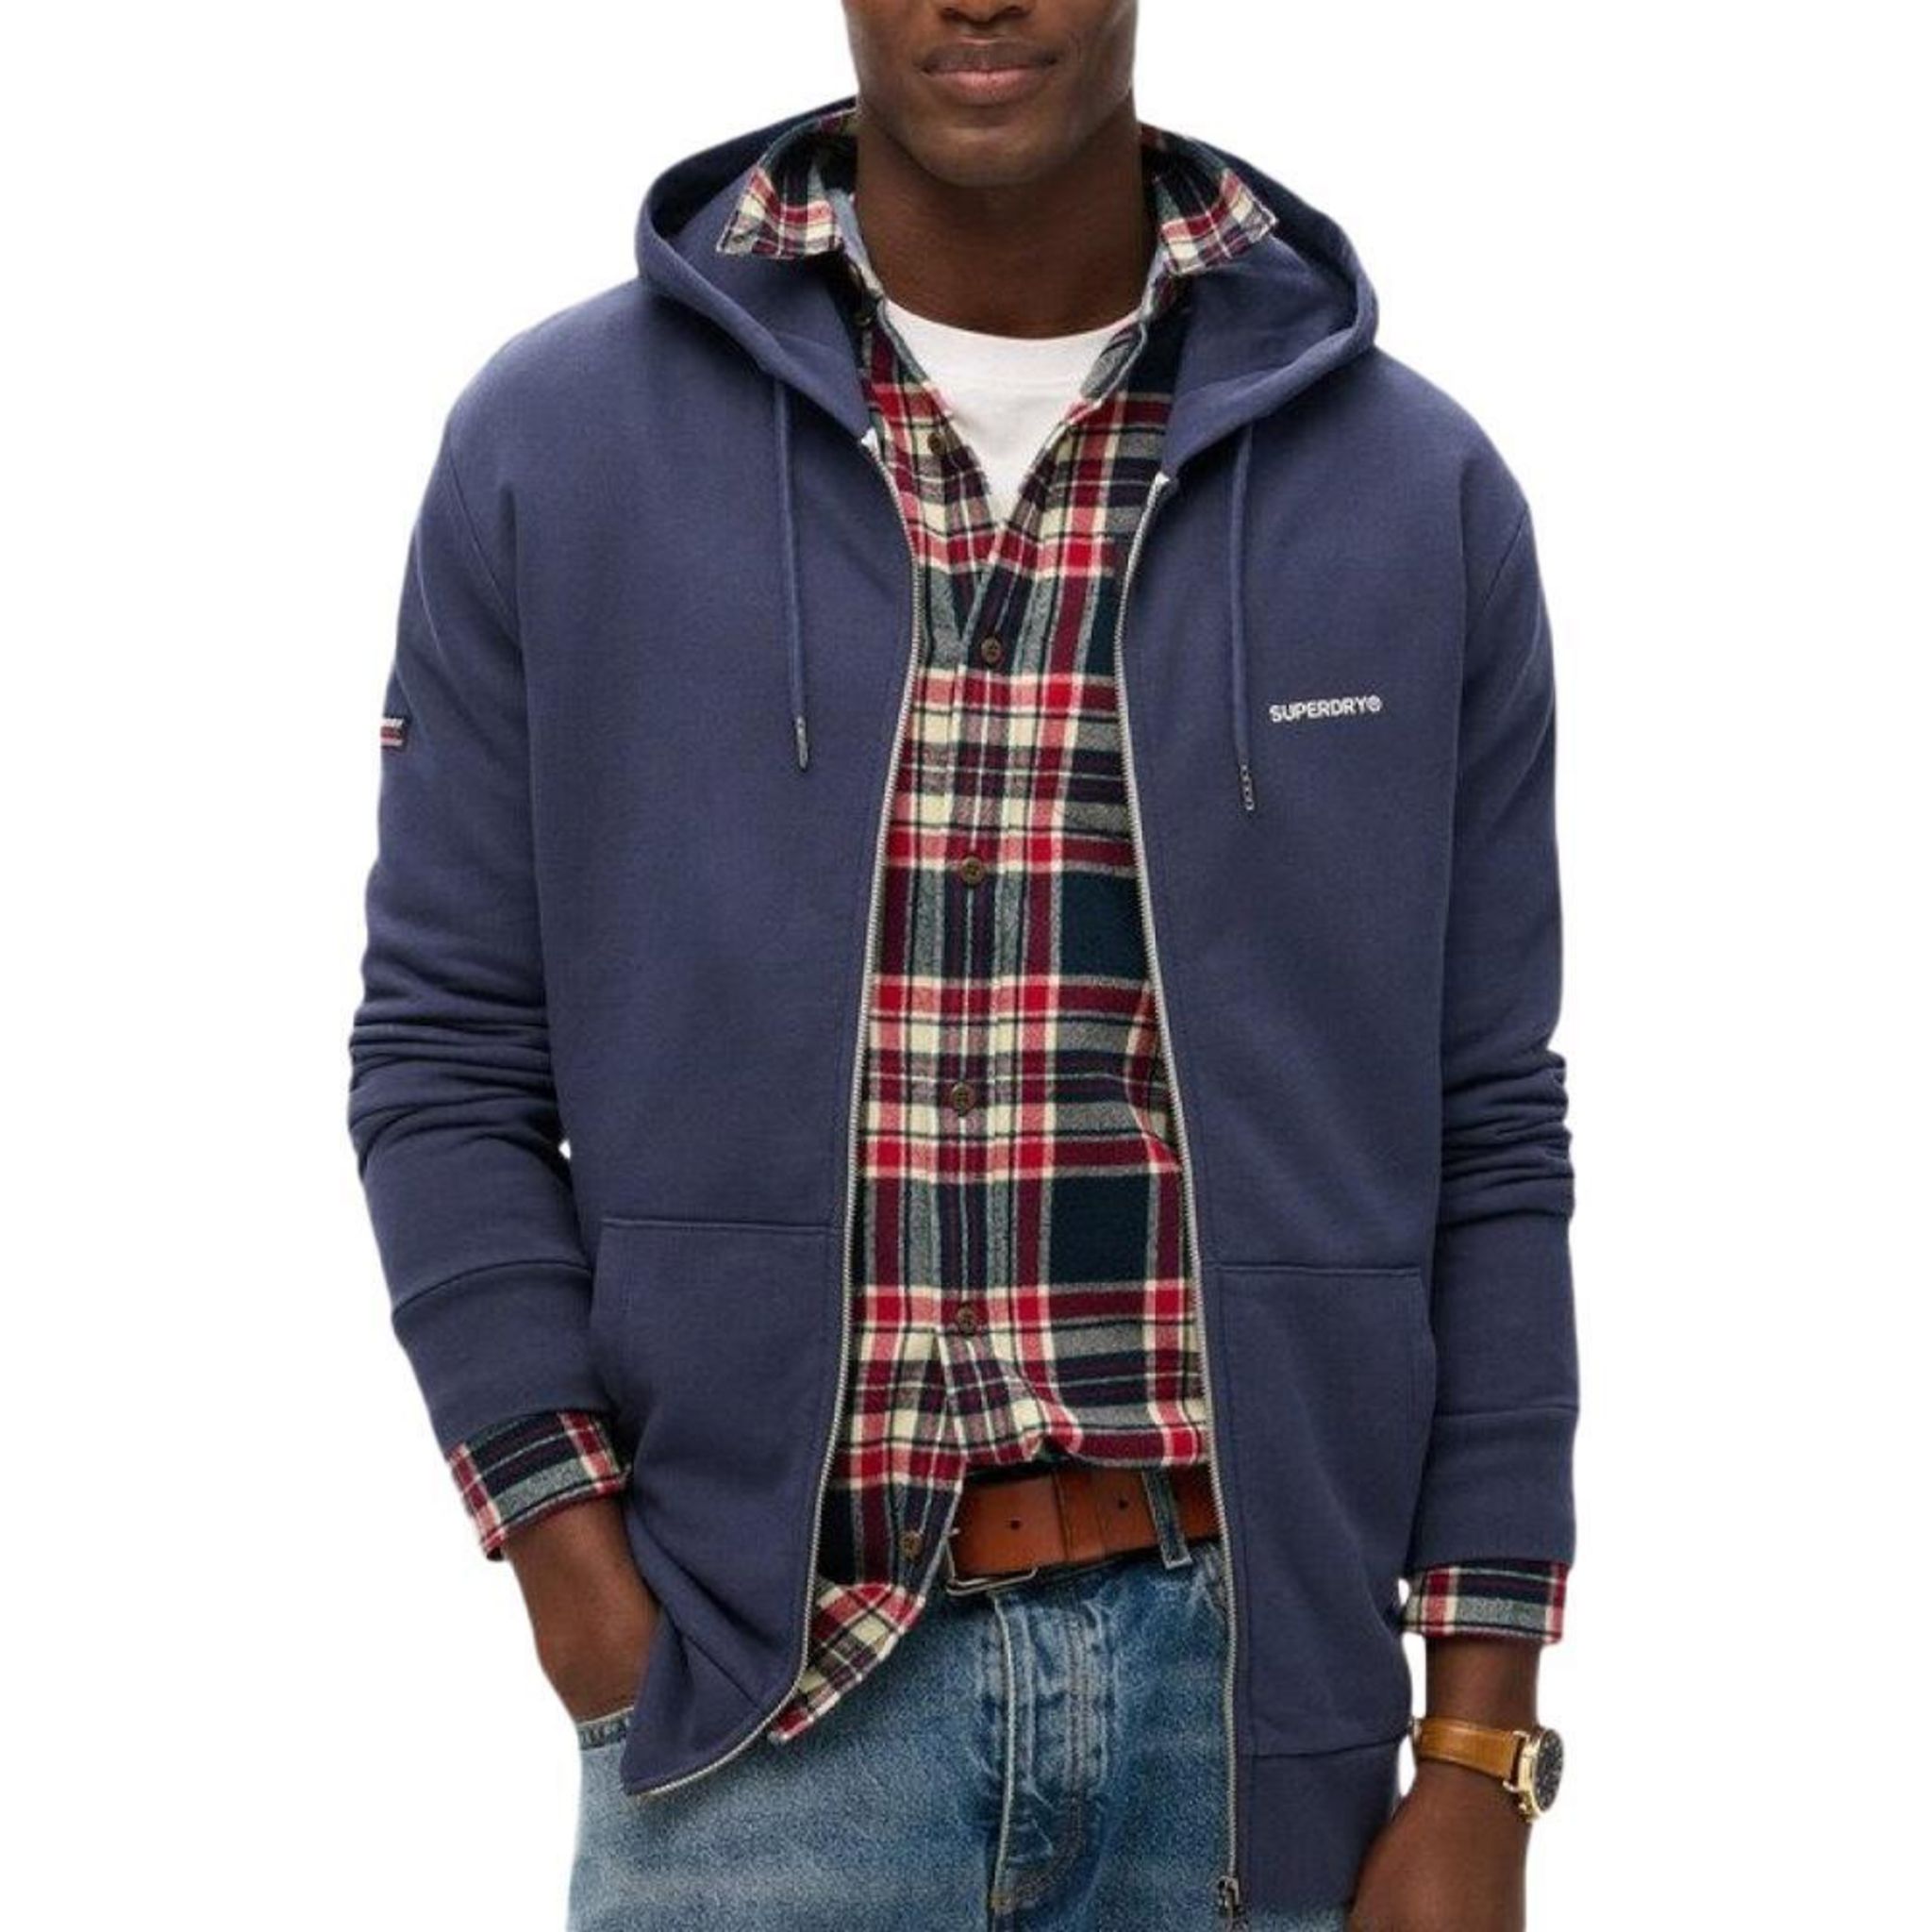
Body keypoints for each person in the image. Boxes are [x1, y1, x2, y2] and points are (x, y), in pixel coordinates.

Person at [345, 4, 1580, 1925]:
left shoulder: (1411, 490)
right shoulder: (560, 443)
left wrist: (1479, 1748)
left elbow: (1484, 1127)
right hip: (763, 1716)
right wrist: (575, 1573)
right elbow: (444, 1060)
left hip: (1253, 1725)